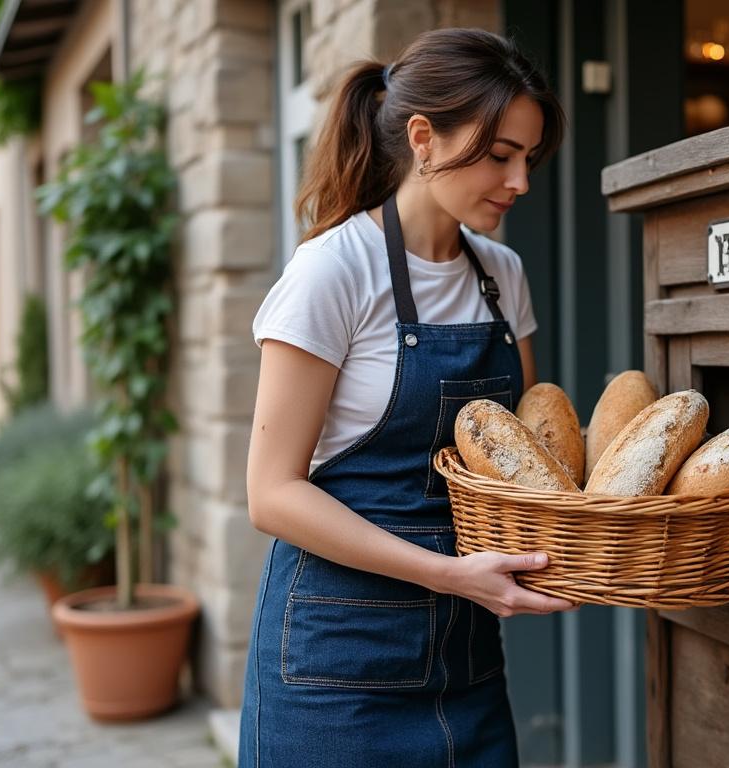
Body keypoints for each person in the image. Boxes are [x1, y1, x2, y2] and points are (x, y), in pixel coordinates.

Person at [239, 27, 574, 768]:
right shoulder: (333, 272)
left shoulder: (502, 276)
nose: (520, 181)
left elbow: (518, 458)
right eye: (499, 155)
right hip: (334, 671)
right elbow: (270, 495)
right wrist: (449, 573)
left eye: (527, 157)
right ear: (423, 138)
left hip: (465, 659)